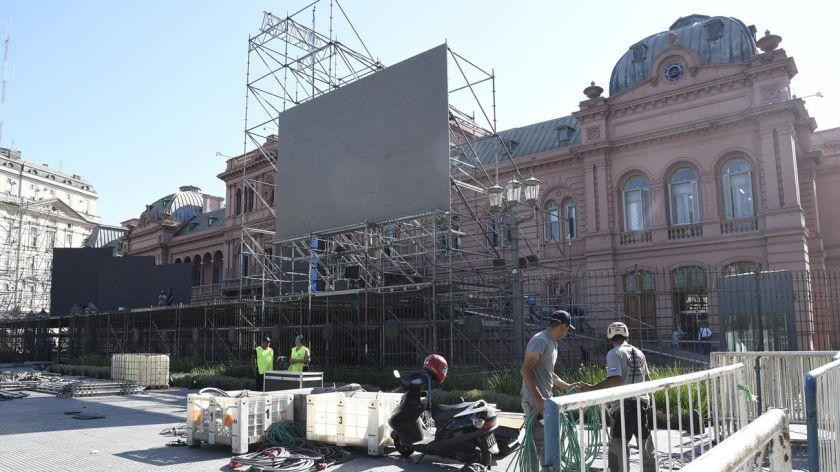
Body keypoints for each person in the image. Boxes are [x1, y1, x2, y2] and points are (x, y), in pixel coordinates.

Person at [577, 322, 655, 472]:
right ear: (627, 336)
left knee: (618, 446)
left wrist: (590, 389)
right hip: (642, 402)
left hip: (623, 404)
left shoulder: (614, 353)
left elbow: (615, 379)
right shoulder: (639, 353)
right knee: (645, 444)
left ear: (610, 338)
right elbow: (648, 379)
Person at [520, 310, 576, 472]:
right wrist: (538, 400)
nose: (567, 333)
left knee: (548, 444)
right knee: (536, 446)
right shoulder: (541, 341)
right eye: (567, 329)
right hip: (535, 402)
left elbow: (548, 373)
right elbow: (525, 370)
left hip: (545, 402)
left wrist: (570, 387)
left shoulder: (552, 342)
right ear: (563, 327)